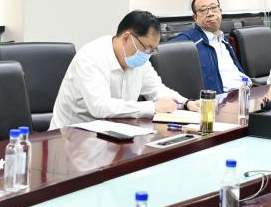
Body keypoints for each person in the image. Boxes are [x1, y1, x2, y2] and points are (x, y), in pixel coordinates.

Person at [51, 10, 199, 129]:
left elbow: (157, 90)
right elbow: (100, 107)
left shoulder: (140, 59)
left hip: (117, 133)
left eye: (153, 50)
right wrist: (152, 107)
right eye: (147, 48)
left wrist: (185, 103)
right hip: (72, 136)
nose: (148, 54)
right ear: (126, 38)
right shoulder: (92, 56)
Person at [170, 0, 247, 94]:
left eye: (213, 8)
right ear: (195, 17)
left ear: (220, 11)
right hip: (220, 98)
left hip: (244, 92)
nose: (210, 13)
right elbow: (166, 53)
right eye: (203, 10)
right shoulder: (189, 42)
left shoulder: (224, 40)